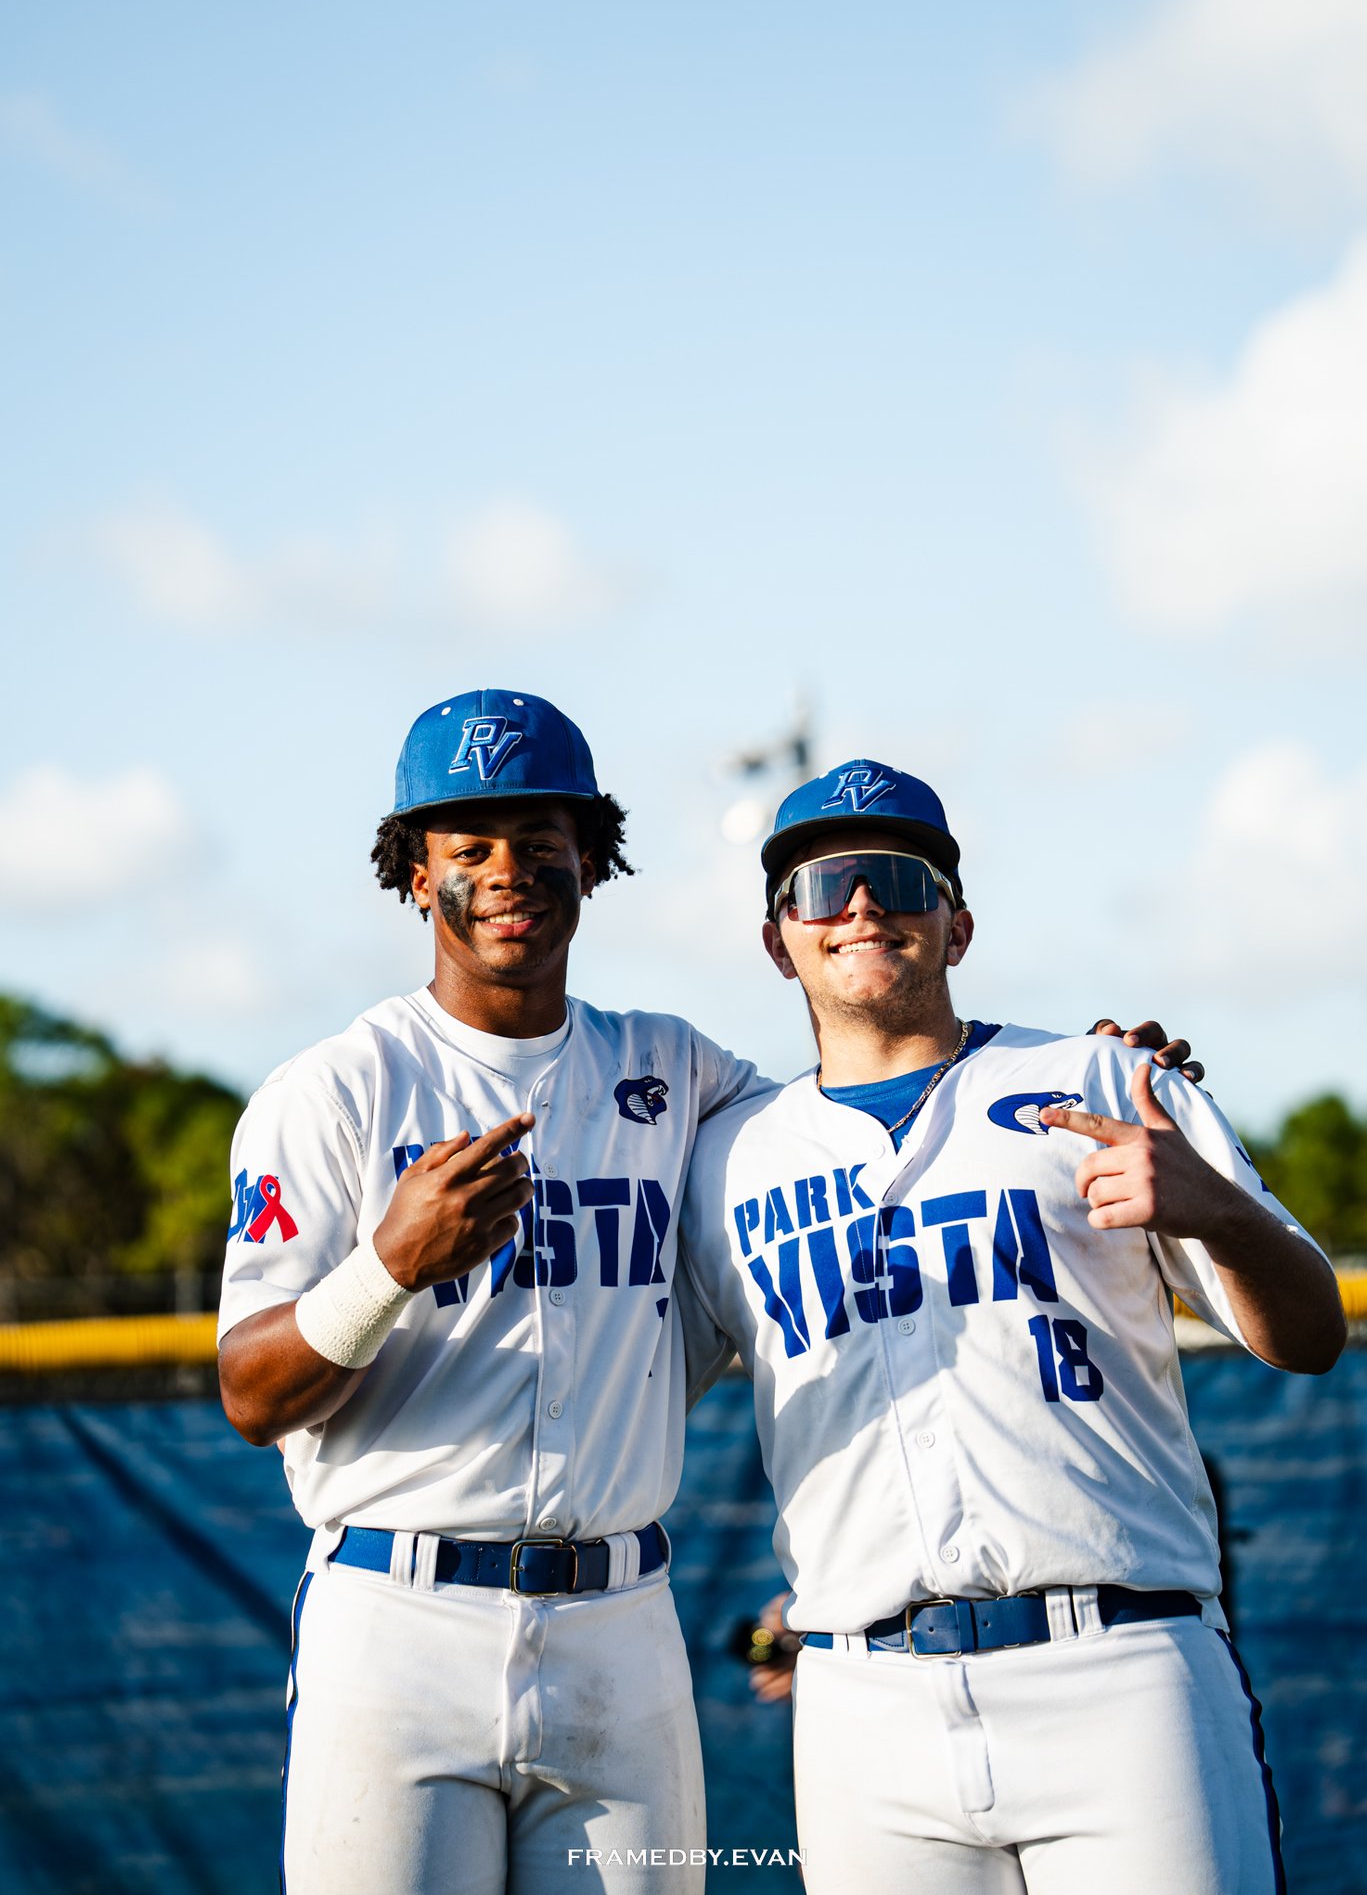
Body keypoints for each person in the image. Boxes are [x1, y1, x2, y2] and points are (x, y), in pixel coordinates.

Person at [679, 756, 1346, 1895]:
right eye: (823, 886)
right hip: (862, 1701)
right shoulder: (723, 1158)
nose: (860, 905)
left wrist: (1223, 1213)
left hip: (1120, 1668)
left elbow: (1311, 1337)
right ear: (778, 940)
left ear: (958, 924)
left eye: (899, 878)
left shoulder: (1102, 1081)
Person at [216, 688, 775, 1894]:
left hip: (621, 1625)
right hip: (397, 1621)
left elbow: (853, 1136)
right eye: (468, 846)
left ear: (591, 859)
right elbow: (251, 1394)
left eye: (537, 840)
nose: (506, 871)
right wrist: (387, 1266)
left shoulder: (677, 1068)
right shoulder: (333, 1089)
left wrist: (1060, 1077)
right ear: (415, 873)